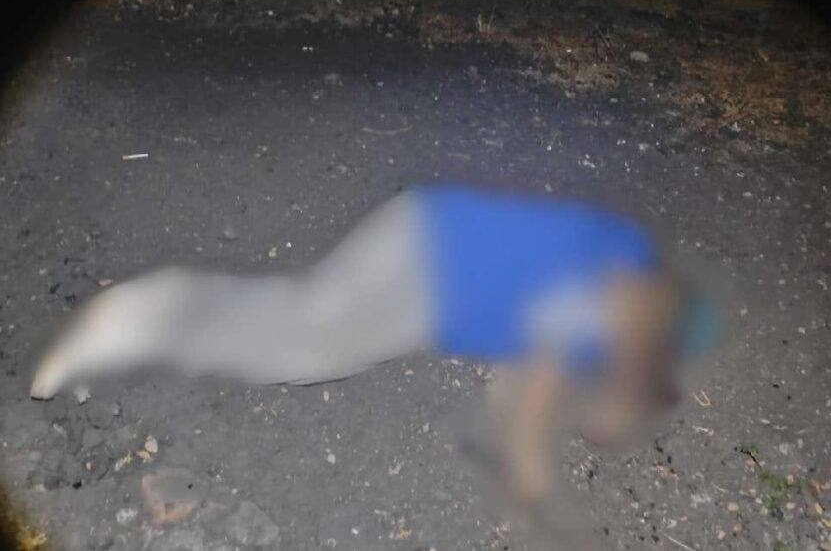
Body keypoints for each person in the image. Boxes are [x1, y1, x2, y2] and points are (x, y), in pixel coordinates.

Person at [30, 184, 718, 502]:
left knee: (303, 327)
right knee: (301, 349)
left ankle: (150, 314)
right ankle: (142, 316)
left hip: (429, 233)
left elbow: (532, 359)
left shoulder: (616, 273)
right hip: (426, 272)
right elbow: (547, 378)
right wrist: (533, 472)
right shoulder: (624, 288)